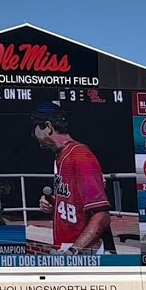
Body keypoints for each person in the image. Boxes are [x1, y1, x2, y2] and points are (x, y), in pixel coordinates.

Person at [30, 102, 114, 255]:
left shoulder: (80, 156)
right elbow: (76, 201)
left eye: (34, 129)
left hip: (85, 249)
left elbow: (101, 215)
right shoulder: (61, 156)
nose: (34, 136)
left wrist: (74, 251)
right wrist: (54, 203)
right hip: (67, 245)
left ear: (48, 127)